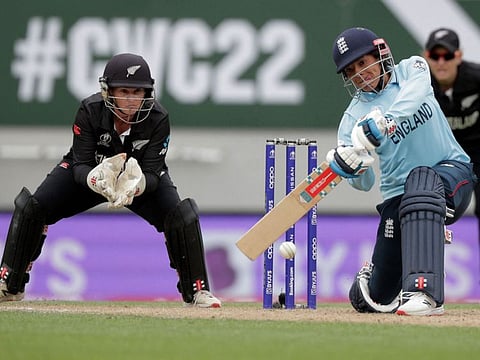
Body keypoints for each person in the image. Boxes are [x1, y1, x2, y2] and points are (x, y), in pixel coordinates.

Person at [0, 53, 221, 308]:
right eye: (124, 91)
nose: (130, 100)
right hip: (90, 174)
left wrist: (135, 186)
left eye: (138, 92)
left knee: (181, 216)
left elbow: (153, 172)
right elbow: (79, 164)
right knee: (33, 207)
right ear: (107, 91)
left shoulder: (159, 118)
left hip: (135, 181)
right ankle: (10, 285)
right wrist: (95, 179)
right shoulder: (90, 110)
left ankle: (198, 291)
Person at [328, 27, 475, 315]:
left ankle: (425, 294)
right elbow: (366, 183)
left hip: (451, 172)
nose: (360, 73)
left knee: (421, 182)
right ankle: (371, 280)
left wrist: (386, 121)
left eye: (363, 62)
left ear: (380, 54)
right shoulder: (351, 121)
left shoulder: (412, 69)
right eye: (352, 70)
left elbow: (418, 93)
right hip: (398, 197)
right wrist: (353, 168)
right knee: (374, 299)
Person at [423, 28, 480, 271]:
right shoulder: (420, 85)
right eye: (435, 56)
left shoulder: (476, 78)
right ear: (426, 57)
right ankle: (420, 277)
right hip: (443, 155)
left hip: (478, 149)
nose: (441, 62)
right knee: (424, 208)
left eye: (447, 55)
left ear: (458, 56)